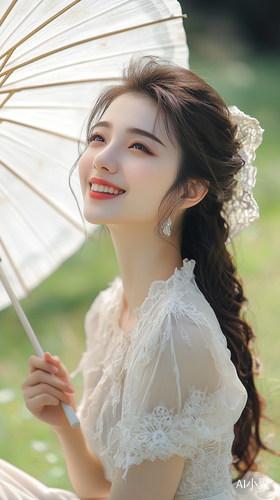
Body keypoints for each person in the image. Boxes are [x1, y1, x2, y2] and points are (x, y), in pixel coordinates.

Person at [1, 57, 280, 500]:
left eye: (139, 148)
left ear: (190, 190)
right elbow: (98, 488)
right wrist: (65, 421)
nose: (103, 160)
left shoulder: (174, 332)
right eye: (99, 137)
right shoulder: (112, 307)